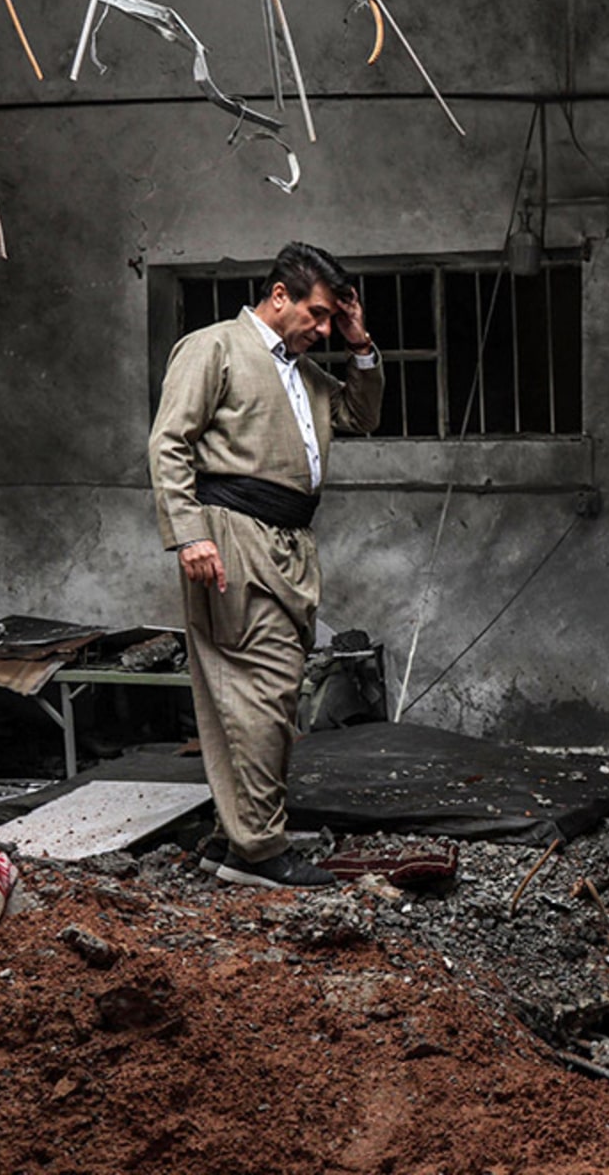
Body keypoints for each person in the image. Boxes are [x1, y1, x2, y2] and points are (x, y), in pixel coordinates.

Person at [148, 242, 382, 888]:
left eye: (334, 319)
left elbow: (361, 416)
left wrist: (360, 345)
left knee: (268, 694)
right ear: (279, 296)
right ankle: (259, 852)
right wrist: (190, 535)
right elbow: (169, 442)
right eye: (318, 314)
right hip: (231, 535)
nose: (325, 329)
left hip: (289, 542)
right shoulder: (213, 347)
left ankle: (235, 839)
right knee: (257, 692)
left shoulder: (307, 372)